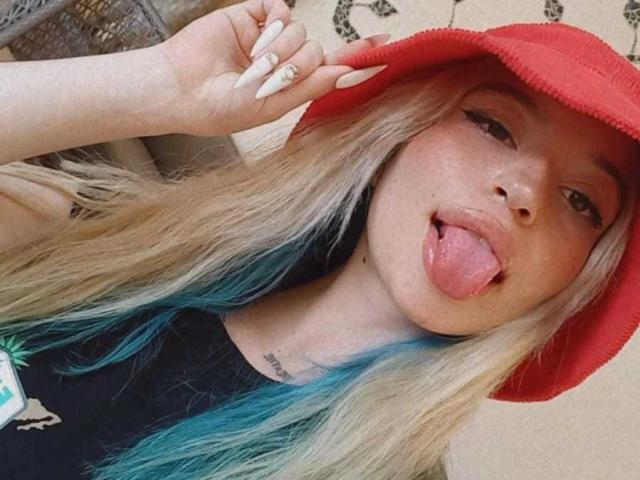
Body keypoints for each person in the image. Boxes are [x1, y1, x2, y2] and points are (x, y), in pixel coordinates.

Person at [0, 1, 638, 480]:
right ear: (399, 132)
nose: (525, 190)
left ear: (575, 277)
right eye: (493, 126)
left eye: (581, 201)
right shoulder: (109, 252)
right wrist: (162, 83)